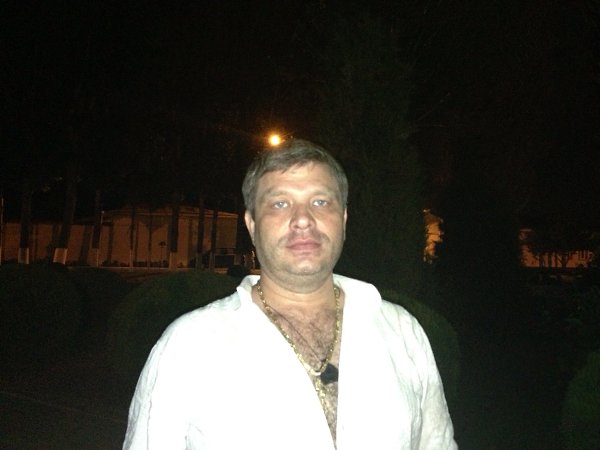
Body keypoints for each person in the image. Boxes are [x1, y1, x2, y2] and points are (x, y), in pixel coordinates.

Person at [123, 139, 457, 450]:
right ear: (252, 224)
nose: (302, 220)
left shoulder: (403, 332)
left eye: (320, 202)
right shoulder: (190, 345)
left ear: (343, 219)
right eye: (280, 203)